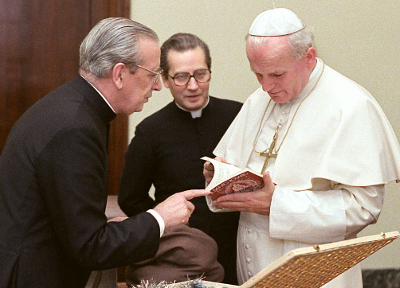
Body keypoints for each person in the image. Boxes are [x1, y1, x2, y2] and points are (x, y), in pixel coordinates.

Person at [0, 17, 209, 288]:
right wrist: (160, 217)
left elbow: (71, 223)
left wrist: (120, 229)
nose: (158, 86)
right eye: (153, 74)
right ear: (120, 73)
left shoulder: (71, 108)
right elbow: (90, 247)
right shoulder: (75, 127)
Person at [203, 8, 400, 288]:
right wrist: (221, 177)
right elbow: (238, 170)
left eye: (276, 74)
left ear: (308, 57)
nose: (266, 86)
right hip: (253, 266)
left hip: (318, 274)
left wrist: (277, 204)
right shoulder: (259, 99)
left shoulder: (351, 106)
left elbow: (364, 208)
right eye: (257, 74)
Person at [118, 32, 242, 284]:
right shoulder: (150, 131)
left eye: (200, 74)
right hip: (181, 257)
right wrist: (167, 227)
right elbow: (130, 197)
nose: (193, 85)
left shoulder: (238, 115)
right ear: (164, 79)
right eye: (181, 77)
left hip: (238, 246)